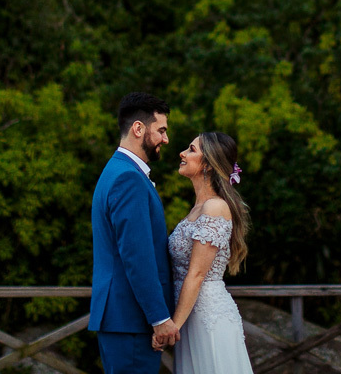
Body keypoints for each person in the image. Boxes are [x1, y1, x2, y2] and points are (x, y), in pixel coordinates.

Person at [89, 92, 179, 374]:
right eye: (161, 130)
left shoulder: (116, 171)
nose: (166, 139)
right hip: (131, 320)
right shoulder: (128, 178)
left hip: (123, 319)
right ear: (138, 129)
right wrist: (159, 318)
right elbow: (137, 256)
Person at [159, 131, 254, 374]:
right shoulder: (197, 209)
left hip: (207, 318)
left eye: (191, 150)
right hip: (189, 316)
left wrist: (173, 326)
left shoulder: (214, 207)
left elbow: (197, 274)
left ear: (208, 165)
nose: (182, 153)